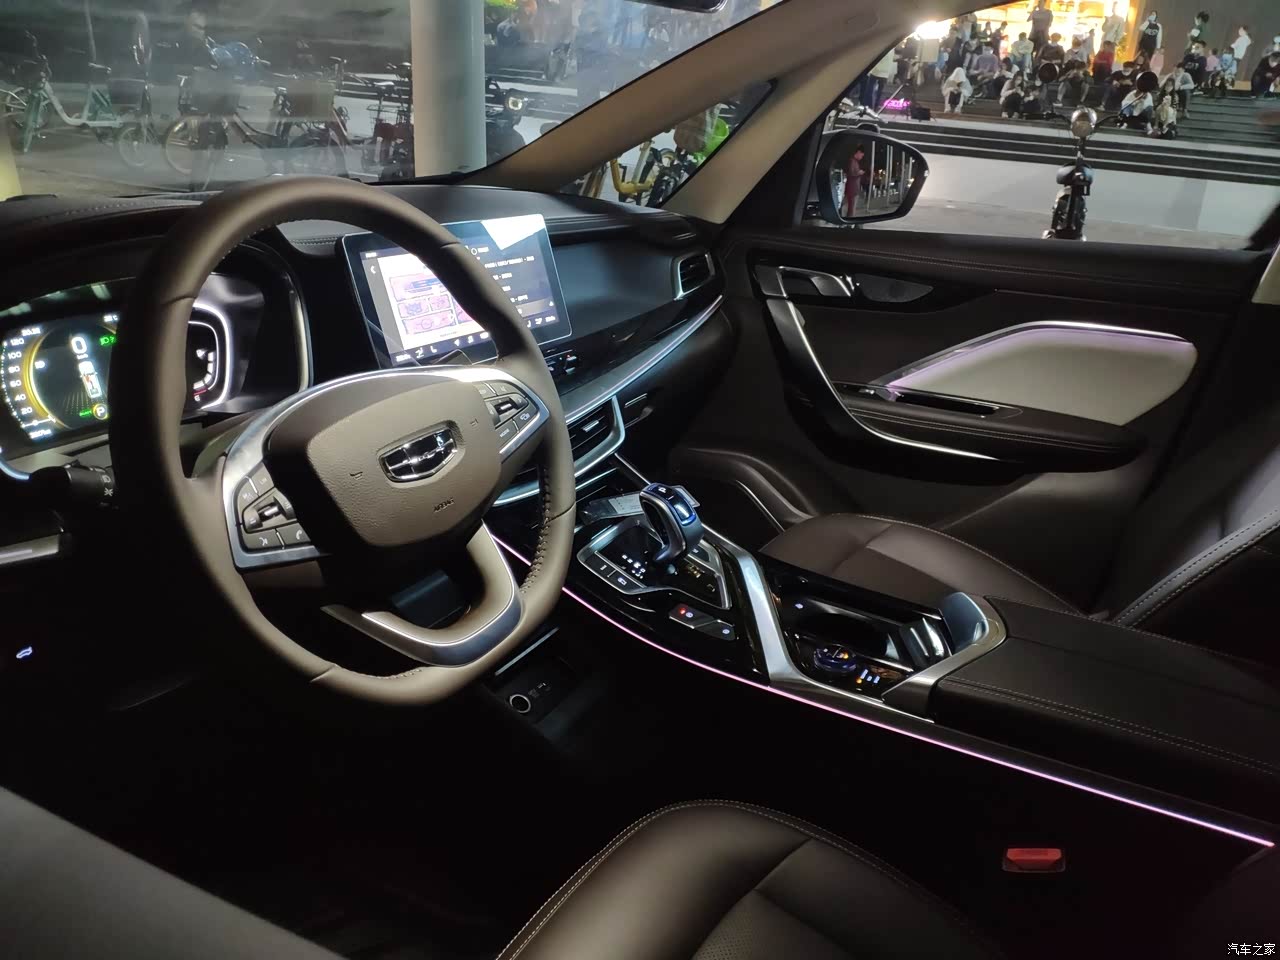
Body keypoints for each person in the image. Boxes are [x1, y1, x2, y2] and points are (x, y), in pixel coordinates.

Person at [843, 145, 866, 217]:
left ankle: (849, 220)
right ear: (858, 152)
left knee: (852, 209)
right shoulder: (852, 161)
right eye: (861, 155)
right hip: (852, 190)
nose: (861, 157)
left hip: (854, 190)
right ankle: (849, 221)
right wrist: (859, 172)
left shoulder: (855, 161)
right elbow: (851, 173)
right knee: (851, 209)